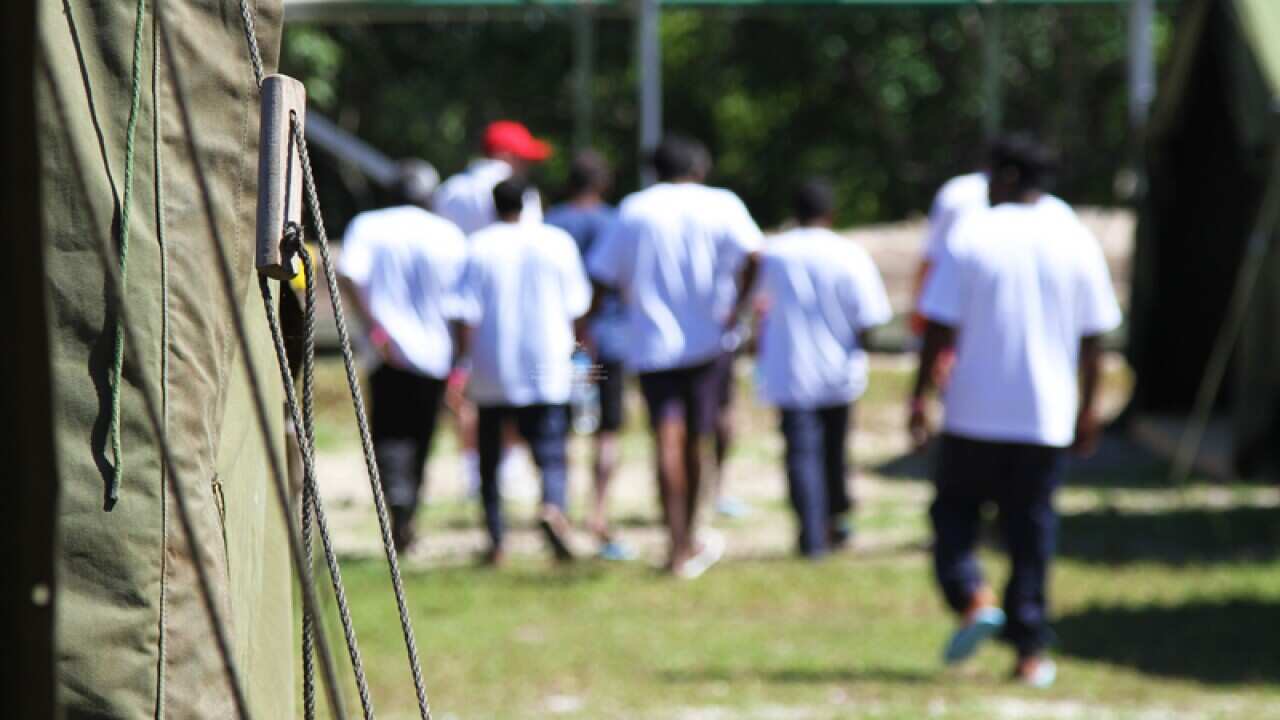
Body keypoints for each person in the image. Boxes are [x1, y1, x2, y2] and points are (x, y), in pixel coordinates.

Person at [908, 133, 1121, 688]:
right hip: (1045, 415)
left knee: (953, 515)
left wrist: (919, 395)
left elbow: (938, 324)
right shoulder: (1074, 238)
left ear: (1002, 177)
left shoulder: (972, 233)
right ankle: (1030, 652)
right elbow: (1095, 337)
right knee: (1031, 532)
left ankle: (972, 596)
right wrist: (1088, 409)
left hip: (973, 409)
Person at [587, 136, 764, 578]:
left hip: (651, 340)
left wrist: (588, 327)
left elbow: (601, 274)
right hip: (709, 338)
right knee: (696, 439)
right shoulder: (722, 204)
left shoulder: (634, 210)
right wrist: (739, 305)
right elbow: (756, 254)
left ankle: (676, 541)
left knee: (666, 436)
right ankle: (691, 531)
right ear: (698, 167)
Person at [456, 179, 592, 565]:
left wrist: (461, 363)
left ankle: (497, 539)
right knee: (550, 450)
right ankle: (552, 505)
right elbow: (578, 305)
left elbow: (466, 313)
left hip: (491, 364)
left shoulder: (479, 245)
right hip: (546, 362)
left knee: (490, 457)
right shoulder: (557, 242)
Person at [753, 179, 891, 558]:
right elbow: (870, 317)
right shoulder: (849, 254)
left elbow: (756, 302)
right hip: (839, 372)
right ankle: (835, 520)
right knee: (835, 452)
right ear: (832, 214)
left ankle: (811, 535)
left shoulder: (777, 254)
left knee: (801, 454)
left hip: (792, 370)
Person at [338, 162, 468, 553]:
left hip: (386, 351)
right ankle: (408, 511)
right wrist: (461, 357)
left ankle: (397, 505)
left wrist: (374, 327)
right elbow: (461, 305)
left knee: (389, 433)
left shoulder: (369, 225)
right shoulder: (449, 234)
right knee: (422, 434)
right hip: (436, 352)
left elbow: (348, 274)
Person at [434, 120, 553, 497]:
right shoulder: (520, 191)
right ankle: (510, 463)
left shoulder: (451, 190)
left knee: (465, 383)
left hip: (460, 296)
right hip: (510, 297)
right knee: (511, 382)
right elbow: (528, 242)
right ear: (504, 154)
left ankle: (473, 469)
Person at [544, 151, 632, 560]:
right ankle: (597, 512)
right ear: (603, 183)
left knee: (559, 427)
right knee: (607, 430)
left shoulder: (551, 222)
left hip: (562, 339)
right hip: (608, 337)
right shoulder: (616, 222)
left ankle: (557, 506)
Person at [433, 120, 550, 234]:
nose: (527, 166)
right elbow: (530, 235)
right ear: (504, 154)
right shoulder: (518, 188)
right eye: (522, 160)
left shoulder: (449, 188)